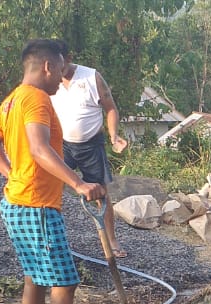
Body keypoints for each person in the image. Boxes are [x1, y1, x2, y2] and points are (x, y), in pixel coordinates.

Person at [0, 39, 106, 304]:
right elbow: (38, 148)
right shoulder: (35, 99)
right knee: (65, 282)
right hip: (36, 206)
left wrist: (11, 174)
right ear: (47, 66)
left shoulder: (12, 100)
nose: (63, 77)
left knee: (34, 279)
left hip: (17, 201)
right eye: (61, 68)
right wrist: (78, 183)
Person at [49, 40, 129, 258]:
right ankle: (51, 239)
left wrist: (114, 136)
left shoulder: (91, 77)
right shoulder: (49, 80)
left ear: (68, 58)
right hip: (62, 144)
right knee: (49, 185)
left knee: (100, 194)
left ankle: (111, 240)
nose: (58, 71)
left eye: (60, 65)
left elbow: (111, 109)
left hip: (91, 145)